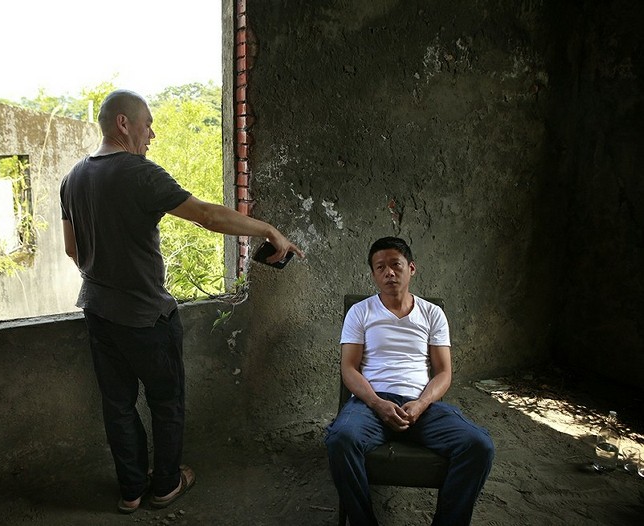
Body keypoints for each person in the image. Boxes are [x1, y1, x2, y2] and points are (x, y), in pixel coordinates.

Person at [59, 89, 304, 514]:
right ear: (123, 124)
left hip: (98, 311)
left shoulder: (72, 178)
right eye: (148, 124)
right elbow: (207, 216)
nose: (151, 135)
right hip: (146, 316)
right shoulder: (140, 173)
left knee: (118, 405)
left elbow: (71, 250)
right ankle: (166, 485)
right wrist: (268, 230)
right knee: (166, 402)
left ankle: (131, 491)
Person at [325, 237, 494, 526]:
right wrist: (377, 403)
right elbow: (349, 368)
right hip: (370, 404)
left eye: (396, 264)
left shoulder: (432, 314)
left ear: (411, 268)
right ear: (373, 274)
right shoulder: (361, 312)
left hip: (421, 407)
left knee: (479, 445)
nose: (389, 272)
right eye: (380, 267)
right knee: (341, 439)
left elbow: (444, 373)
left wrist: (421, 403)